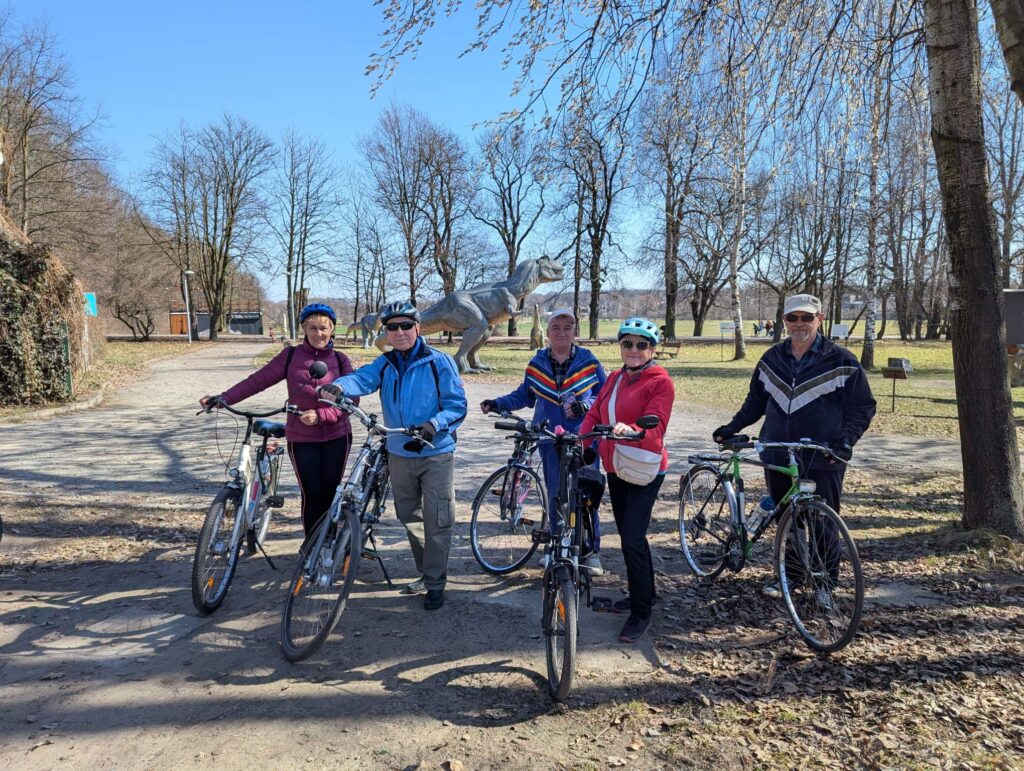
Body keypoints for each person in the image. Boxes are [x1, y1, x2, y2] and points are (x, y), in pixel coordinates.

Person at [713, 293, 876, 598]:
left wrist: (845, 441)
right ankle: (792, 576)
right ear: (784, 320)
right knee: (788, 520)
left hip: (823, 455)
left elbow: (862, 407)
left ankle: (825, 586)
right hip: (777, 453)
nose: (799, 323)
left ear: (819, 319)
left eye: (807, 317)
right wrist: (732, 427)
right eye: (792, 318)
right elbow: (755, 402)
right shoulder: (771, 359)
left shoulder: (842, 360)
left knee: (824, 523)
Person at [320, 300, 467, 611]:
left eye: (406, 326)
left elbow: (457, 406)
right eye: (392, 327)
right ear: (385, 332)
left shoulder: (439, 362)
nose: (399, 332)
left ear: (418, 328)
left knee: (438, 518)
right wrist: (338, 386)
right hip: (399, 451)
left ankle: (435, 583)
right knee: (409, 516)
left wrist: (433, 425)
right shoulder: (385, 363)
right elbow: (361, 378)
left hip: (436, 452)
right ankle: (427, 572)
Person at [199, 303, 356, 538]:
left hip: (337, 436)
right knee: (312, 493)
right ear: (304, 329)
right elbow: (257, 381)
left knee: (331, 492)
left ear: (332, 329)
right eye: (312, 328)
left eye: (324, 328)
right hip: (302, 438)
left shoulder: (341, 360)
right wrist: (223, 399)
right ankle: (312, 546)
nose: (318, 333)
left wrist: (322, 415)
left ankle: (331, 543)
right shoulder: (291, 356)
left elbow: (352, 399)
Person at [479, 308, 607, 572]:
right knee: (556, 495)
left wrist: (587, 404)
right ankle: (557, 547)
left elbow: (604, 396)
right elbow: (524, 396)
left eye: (567, 328)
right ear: (547, 332)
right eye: (556, 328)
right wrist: (497, 403)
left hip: (583, 438)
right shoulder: (537, 363)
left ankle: (590, 551)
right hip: (550, 439)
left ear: (575, 332)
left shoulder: (589, 362)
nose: (562, 333)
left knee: (586, 494)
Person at [580, 317, 675, 644]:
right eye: (628, 343)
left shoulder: (660, 382)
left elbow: (656, 425)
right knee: (630, 536)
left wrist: (633, 430)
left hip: (644, 468)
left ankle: (641, 612)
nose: (634, 349)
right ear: (621, 346)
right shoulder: (615, 378)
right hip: (617, 466)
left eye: (642, 344)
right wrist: (581, 441)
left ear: (652, 350)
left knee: (632, 538)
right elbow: (595, 413)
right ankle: (643, 593)